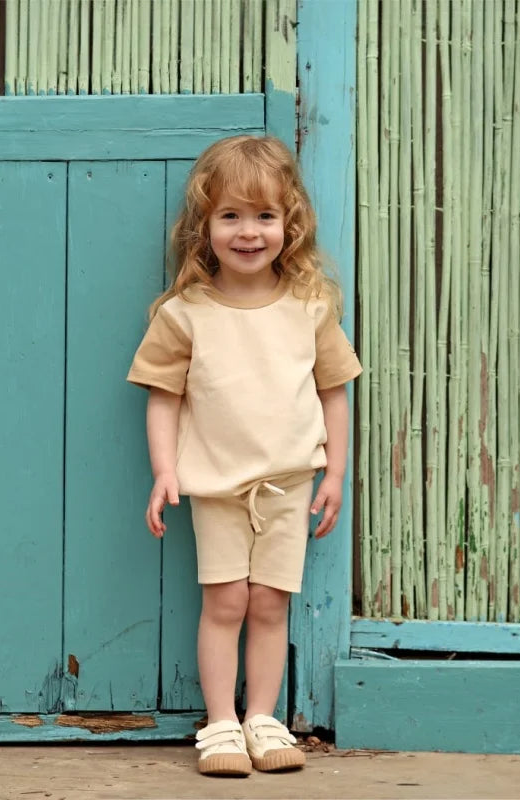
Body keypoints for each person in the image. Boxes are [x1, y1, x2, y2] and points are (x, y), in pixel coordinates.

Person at [127, 135, 361, 777]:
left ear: (291, 224)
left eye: (265, 216)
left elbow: (335, 394)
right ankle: (221, 724)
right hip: (219, 489)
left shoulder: (311, 309)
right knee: (226, 602)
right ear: (205, 227)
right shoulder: (186, 314)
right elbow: (162, 398)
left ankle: (263, 716)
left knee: (269, 604)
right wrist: (165, 471)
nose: (249, 232)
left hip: (289, 485)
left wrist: (335, 472)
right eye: (231, 215)